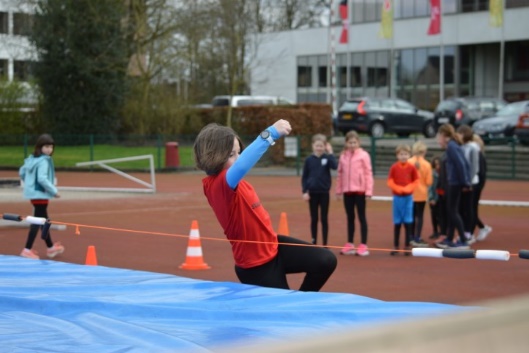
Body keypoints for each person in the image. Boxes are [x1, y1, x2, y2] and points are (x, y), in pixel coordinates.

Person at [193, 120, 337, 291]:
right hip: (255, 266)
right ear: (214, 155)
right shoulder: (218, 186)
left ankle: (300, 299)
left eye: (239, 152)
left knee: (326, 260)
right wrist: (271, 133)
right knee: (280, 312)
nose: (238, 158)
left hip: (274, 247)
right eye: (232, 154)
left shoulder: (236, 183)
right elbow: (242, 165)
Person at [19, 134, 64, 260]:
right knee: (37, 221)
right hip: (41, 194)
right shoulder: (44, 160)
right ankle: (27, 249)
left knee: (45, 221)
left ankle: (50, 247)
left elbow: (22, 172)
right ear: (40, 147)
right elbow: (42, 179)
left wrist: (29, 184)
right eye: (46, 146)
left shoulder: (32, 159)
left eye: (51, 147)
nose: (49, 150)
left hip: (34, 195)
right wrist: (54, 191)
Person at [335, 131, 374, 256]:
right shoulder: (343, 156)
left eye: (354, 142)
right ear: (346, 143)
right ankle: (350, 243)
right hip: (348, 191)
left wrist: (368, 191)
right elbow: (340, 174)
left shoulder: (364, 155)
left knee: (361, 217)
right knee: (350, 218)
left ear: (358, 143)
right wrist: (338, 190)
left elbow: (368, 173)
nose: (352, 145)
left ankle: (363, 245)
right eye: (350, 142)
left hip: (360, 191)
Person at [435, 124, 472, 249]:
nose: (437, 140)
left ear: (445, 136)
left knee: (453, 211)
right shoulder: (453, 145)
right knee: (452, 211)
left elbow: (461, 164)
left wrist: (465, 182)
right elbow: (464, 163)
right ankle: (450, 238)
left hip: (455, 183)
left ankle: (463, 240)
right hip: (455, 182)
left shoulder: (451, 146)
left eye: (439, 136)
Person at [301, 134, 337, 246]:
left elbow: (335, 166)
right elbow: (305, 177)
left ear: (325, 146)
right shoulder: (308, 160)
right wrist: (305, 191)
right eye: (317, 146)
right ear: (313, 146)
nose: (319, 148)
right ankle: (314, 242)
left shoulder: (327, 158)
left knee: (324, 218)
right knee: (314, 218)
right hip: (312, 193)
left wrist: (330, 152)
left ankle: (325, 244)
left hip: (324, 193)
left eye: (321, 146)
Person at [387, 144, 419, 256]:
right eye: (401, 154)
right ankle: (396, 245)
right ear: (397, 155)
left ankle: (407, 245)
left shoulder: (412, 168)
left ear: (409, 155)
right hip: (397, 198)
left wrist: (408, 188)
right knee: (397, 222)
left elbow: (416, 180)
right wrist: (398, 189)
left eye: (405, 154)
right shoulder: (394, 167)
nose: (403, 156)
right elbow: (390, 181)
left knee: (408, 221)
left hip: (408, 198)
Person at [456, 125, 481, 244]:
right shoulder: (462, 146)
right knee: (461, 208)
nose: (458, 135)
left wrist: (468, 182)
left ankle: (469, 233)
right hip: (463, 182)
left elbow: (474, 167)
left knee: (468, 208)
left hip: (471, 182)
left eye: (460, 133)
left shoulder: (473, 148)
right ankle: (464, 232)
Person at [408, 140, 432, 247]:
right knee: (420, 216)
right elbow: (429, 182)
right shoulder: (427, 164)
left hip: (410, 193)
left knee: (411, 215)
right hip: (421, 193)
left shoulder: (408, 162)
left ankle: (411, 236)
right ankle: (418, 237)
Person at [472, 134, 493, 241]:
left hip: (476, 187)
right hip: (475, 186)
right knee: (470, 210)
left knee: (471, 210)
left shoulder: (479, 156)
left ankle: (478, 229)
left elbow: (482, 174)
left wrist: (478, 187)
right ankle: (481, 228)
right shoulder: (476, 155)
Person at [427, 156, 444, 240]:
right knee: (433, 215)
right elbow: (430, 187)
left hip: (440, 198)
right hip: (433, 198)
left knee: (441, 216)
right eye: (436, 164)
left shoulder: (443, 174)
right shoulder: (432, 174)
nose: (438, 166)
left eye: (439, 164)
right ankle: (435, 231)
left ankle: (442, 231)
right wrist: (431, 198)